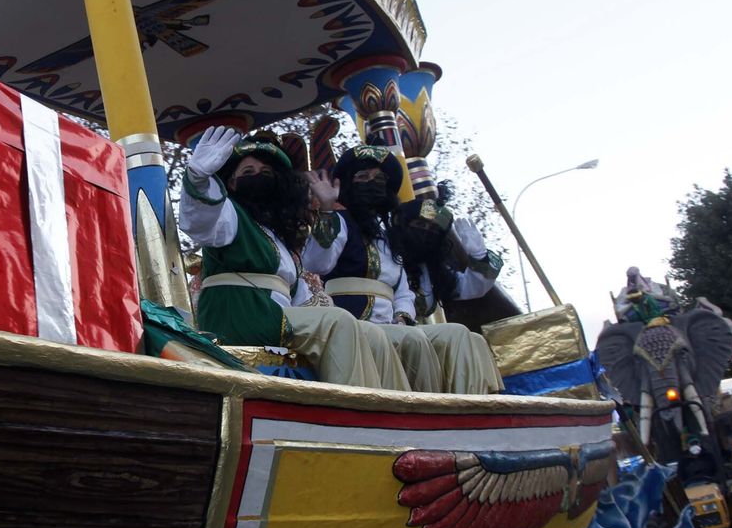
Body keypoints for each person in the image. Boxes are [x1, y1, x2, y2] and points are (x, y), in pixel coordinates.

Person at [178, 128, 409, 392]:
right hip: (238, 314)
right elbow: (199, 221)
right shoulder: (229, 214)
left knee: (372, 335)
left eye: (266, 174)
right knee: (339, 323)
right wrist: (198, 178)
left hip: (274, 317)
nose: (258, 179)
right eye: (248, 173)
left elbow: (297, 295)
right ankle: (357, 411)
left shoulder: (275, 237)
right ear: (231, 183)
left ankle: (399, 405)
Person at [304, 145, 502, 395]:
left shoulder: (391, 241)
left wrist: (402, 316)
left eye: (379, 179)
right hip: (354, 323)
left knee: (461, 334)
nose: (424, 232)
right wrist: (327, 210)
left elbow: (404, 293)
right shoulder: (340, 223)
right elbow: (316, 263)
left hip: (395, 325)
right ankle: (427, 411)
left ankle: (473, 405)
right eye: (363, 177)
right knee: (414, 339)